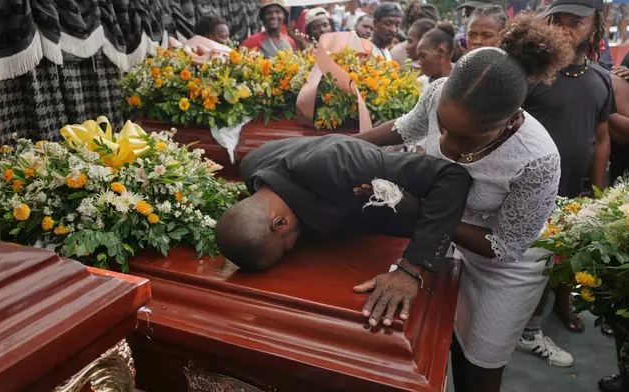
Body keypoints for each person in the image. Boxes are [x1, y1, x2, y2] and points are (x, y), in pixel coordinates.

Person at [355, 13, 573, 391]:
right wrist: (349, 146)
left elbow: (504, 247)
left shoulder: (537, 159)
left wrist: (421, 211)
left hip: (503, 268)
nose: (448, 147)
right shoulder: (439, 91)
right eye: (445, 127)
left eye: (467, 139)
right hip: (444, 235)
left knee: (477, 363)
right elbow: (406, 127)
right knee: (433, 339)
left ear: (507, 122)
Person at [216, 135, 472, 328]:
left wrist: (411, 268)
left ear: (279, 224)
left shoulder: (339, 163)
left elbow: (451, 177)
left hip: (405, 214)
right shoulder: (252, 168)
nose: (293, 247)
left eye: (287, 246)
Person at [517, 0, 615, 360]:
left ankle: (561, 305)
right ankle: (525, 327)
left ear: (595, 25)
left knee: (565, 257)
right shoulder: (531, 75)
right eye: (556, 21)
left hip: (576, 187)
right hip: (530, 188)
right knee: (530, 261)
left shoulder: (601, 77)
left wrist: (599, 190)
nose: (565, 30)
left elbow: (601, 137)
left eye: (576, 22)